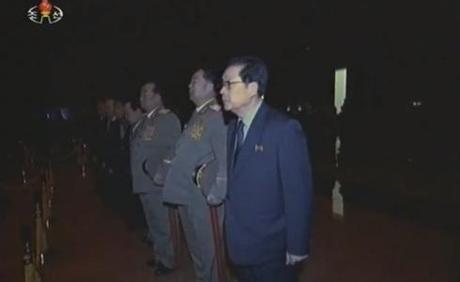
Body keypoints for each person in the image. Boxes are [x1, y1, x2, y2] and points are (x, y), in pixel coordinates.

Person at [220, 56, 313, 282]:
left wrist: (297, 245)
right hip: (241, 245)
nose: (221, 90)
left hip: (272, 251)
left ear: (252, 88)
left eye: (228, 84)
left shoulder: (283, 129)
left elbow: (298, 193)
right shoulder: (233, 128)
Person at [162, 68, 227, 282]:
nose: (189, 85)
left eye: (194, 80)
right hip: (186, 194)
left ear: (209, 86)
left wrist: (216, 192)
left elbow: (224, 156)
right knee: (197, 249)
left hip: (203, 197)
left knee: (210, 250)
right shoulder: (197, 115)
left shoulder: (216, 115)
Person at [129, 81, 181, 275]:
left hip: (157, 183)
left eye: (145, 93)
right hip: (144, 183)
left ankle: (169, 261)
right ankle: (160, 255)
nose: (141, 97)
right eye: (141, 93)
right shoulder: (144, 120)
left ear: (158, 96)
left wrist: (161, 173)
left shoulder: (166, 119)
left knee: (163, 224)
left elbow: (175, 149)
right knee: (153, 224)